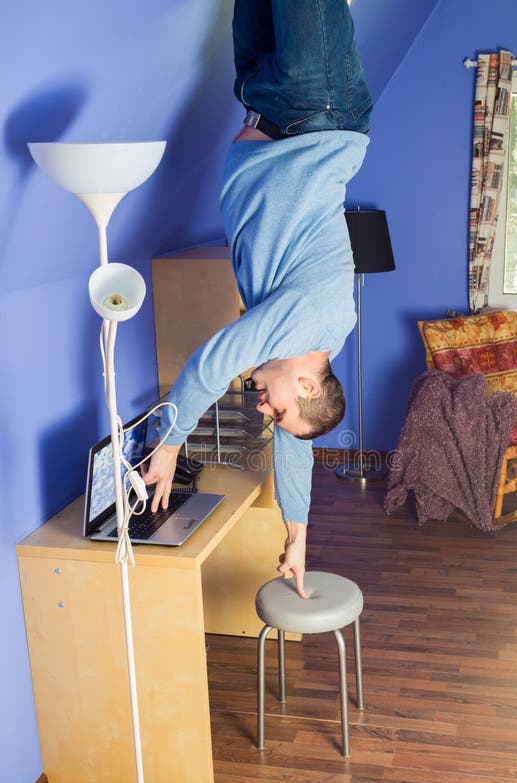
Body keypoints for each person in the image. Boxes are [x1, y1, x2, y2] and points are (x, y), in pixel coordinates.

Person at [143, 0, 372, 597]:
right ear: (308, 385)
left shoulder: (304, 345)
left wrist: (297, 534)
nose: (262, 410)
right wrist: (167, 446)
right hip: (314, 106)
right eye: (279, 410)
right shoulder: (307, 324)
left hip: (270, 104)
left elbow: (296, 447)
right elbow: (215, 359)